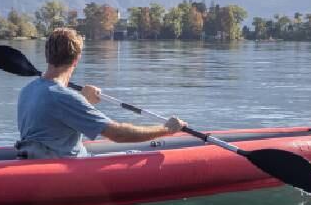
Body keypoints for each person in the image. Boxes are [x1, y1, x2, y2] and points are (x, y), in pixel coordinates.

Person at [15, 27, 187, 159]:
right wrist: (166, 129)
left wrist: (84, 100)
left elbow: (55, 122)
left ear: (47, 56)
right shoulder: (64, 97)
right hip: (63, 169)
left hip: (37, 159)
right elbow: (118, 134)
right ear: (77, 59)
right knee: (134, 154)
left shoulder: (28, 90)